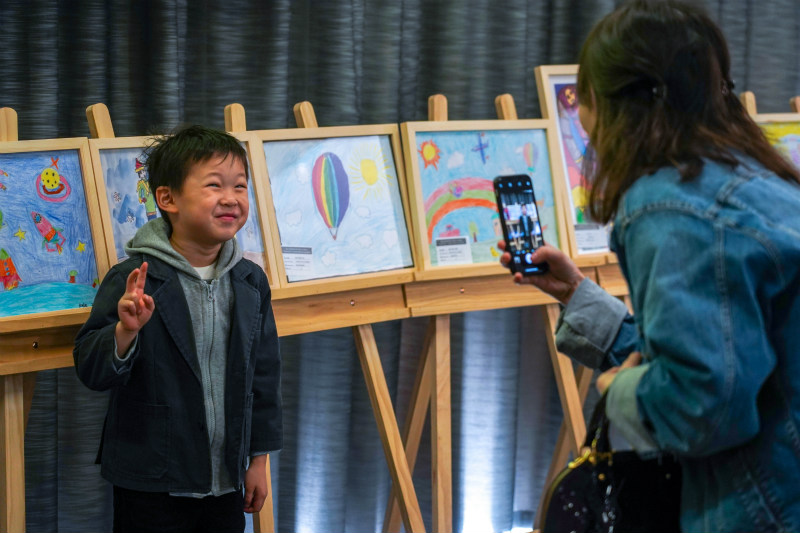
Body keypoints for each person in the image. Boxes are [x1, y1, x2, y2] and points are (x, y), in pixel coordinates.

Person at [501, 1, 800, 531]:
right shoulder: (754, 180)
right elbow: (721, 351)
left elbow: (704, 405)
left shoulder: (668, 202)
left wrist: (617, 394)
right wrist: (576, 294)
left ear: (613, 102)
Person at [74, 125, 282, 533]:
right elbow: (90, 368)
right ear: (168, 199)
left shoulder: (250, 281)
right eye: (213, 185)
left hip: (225, 479)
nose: (231, 198)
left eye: (240, 186)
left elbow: (264, 376)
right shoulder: (133, 278)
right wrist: (125, 332)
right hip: (151, 480)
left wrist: (259, 460)